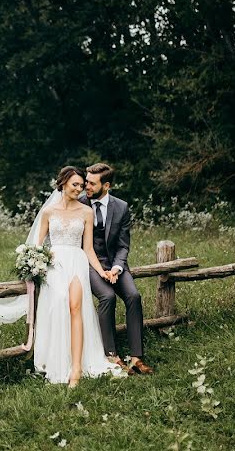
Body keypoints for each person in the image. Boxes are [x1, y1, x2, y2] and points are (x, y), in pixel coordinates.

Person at [32, 166, 124, 386]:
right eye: (75, 184)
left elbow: (89, 248)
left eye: (82, 186)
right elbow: (37, 245)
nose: (79, 189)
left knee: (75, 307)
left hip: (76, 262)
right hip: (54, 264)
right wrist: (35, 264)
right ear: (63, 183)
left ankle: (76, 368)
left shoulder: (86, 212)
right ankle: (57, 360)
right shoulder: (48, 212)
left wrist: (102, 271)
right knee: (58, 307)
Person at [82, 162, 154, 375]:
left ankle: (136, 357)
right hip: (89, 264)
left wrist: (116, 268)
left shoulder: (121, 207)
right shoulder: (79, 203)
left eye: (92, 183)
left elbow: (123, 245)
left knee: (133, 296)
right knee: (107, 297)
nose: (87, 186)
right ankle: (111, 355)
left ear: (106, 186)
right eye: (86, 181)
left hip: (114, 264)